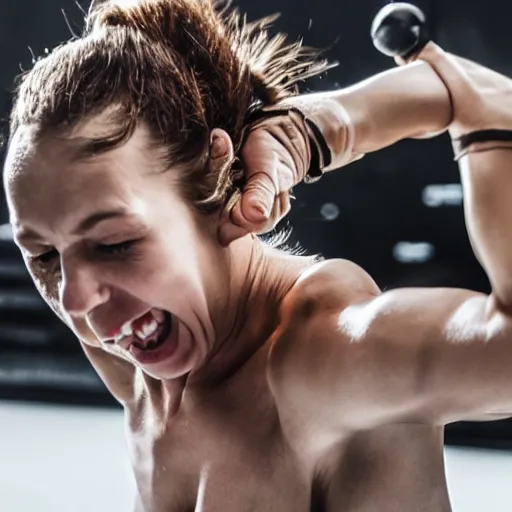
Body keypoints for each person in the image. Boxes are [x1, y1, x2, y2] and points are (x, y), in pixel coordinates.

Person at [4, 0, 512, 510]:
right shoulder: (136, 345)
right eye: (44, 256)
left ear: (215, 175)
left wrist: (343, 122)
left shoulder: (328, 356)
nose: (75, 299)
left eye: (115, 244)